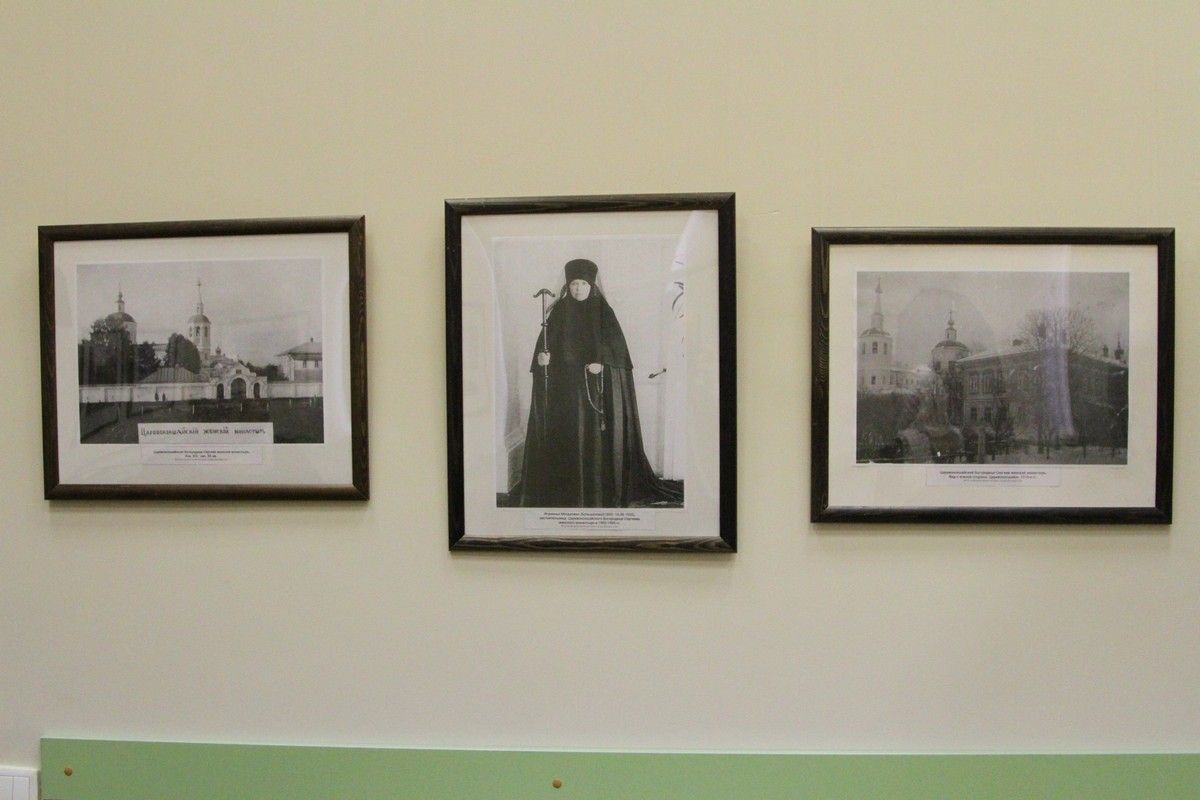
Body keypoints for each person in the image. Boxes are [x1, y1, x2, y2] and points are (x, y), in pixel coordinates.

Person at [515, 258, 682, 508]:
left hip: (595, 394)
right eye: (574, 284)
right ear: (567, 286)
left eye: (583, 284)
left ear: (592, 285)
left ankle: (598, 492)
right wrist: (542, 359)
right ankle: (568, 493)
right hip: (565, 393)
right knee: (567, 439)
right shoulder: (558, 313)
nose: (578, 289)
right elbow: (545, 349)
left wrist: (603, 364)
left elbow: (618, 355)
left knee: (594, 443)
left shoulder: (604, 312)